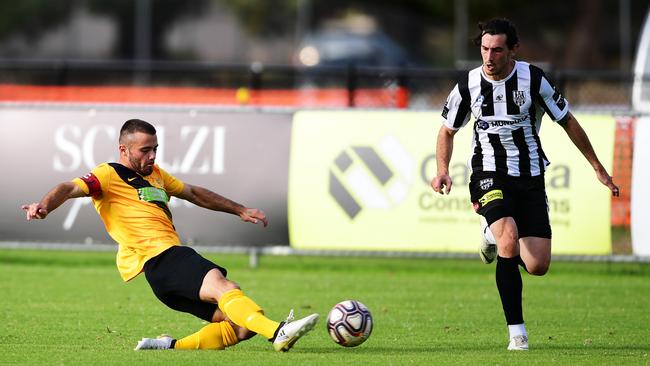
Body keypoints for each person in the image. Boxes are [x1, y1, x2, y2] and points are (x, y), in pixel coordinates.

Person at [21, 119, 319, 352]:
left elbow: (193, 193)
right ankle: (278, 332)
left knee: (241, 326)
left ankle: (168, 345)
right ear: (123, 149)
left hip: (162, 275)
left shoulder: (157, 175)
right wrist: (44, 206)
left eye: (155, 149)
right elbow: (69, 188)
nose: (152, 156)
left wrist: (239, 209)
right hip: (163, 258)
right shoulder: (108, 174)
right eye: (144, 150)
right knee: (223, 285)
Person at [430, 18, 619, 351]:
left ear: (512, 50)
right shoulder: (468, 84)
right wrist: (442, 169)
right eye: (484, 49)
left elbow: (567, 121)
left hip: (530, 176)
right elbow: (447, 130)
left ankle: (489, 235)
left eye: (497, 50)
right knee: (509, 238)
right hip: (487, 172)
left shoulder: (533, 79)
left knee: (538, 265)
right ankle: (517, 333)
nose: (489, 57)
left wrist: (596, 166)